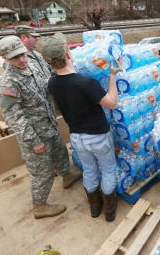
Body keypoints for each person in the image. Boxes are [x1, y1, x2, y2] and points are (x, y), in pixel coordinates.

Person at [0, 36, 82, 219]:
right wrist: (34, 141)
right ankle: (40, 206)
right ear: (5, 59)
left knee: (60, 152)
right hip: (34, 135)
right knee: (43, 172)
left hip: (48, 125)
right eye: (15, 57)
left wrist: (51, 116)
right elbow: (13, 117)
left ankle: (67, 176)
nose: (21, 60)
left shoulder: (32, 68)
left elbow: (44, 94)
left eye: (22, 54)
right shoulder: (7, 83)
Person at [42, 32, 121, 221]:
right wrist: (112, 76)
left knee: (89, 170)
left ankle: (95, 208)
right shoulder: (87, 83)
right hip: (98, 136)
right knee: (108, 169)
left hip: (77, 137)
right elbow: (112, 103)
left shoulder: (52, 83)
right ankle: (109, 211)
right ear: (68, 54)